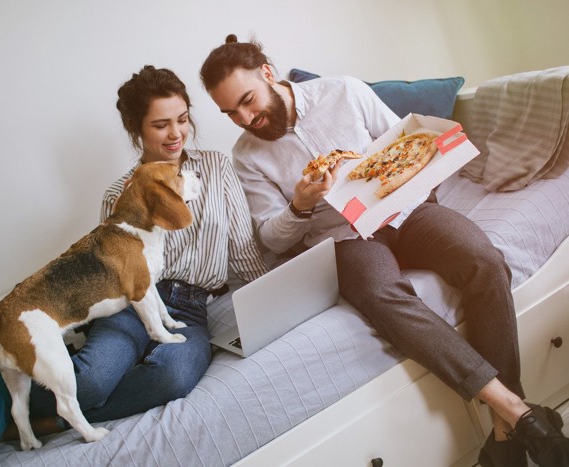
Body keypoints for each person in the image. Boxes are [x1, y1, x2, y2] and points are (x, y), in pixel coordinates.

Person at [199, 35, 569, 467]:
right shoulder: (246, 156)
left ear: (266, 73)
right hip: (344, 239)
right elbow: (270, 239)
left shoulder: (344, 91)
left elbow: (410, 144)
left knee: (484, 260)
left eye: (247, 100)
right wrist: (300, 204)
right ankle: (517, 412)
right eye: (231, 113)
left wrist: (389, 175)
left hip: (407, 211)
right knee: (381, 297)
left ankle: (505, 433)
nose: (246, 118)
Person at [15, 65, 267, 436]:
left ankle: (54, 421)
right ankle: (4, 400)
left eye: (182, 119)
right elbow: (115, 275)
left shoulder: (215, 167)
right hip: (132, 305)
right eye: (161, 124)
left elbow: (244, 250)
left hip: (192, 310)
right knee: (93, 382)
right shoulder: (119, 195)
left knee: (174, 377)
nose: (176, 132)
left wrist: (273, 301)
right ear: (137, 129)